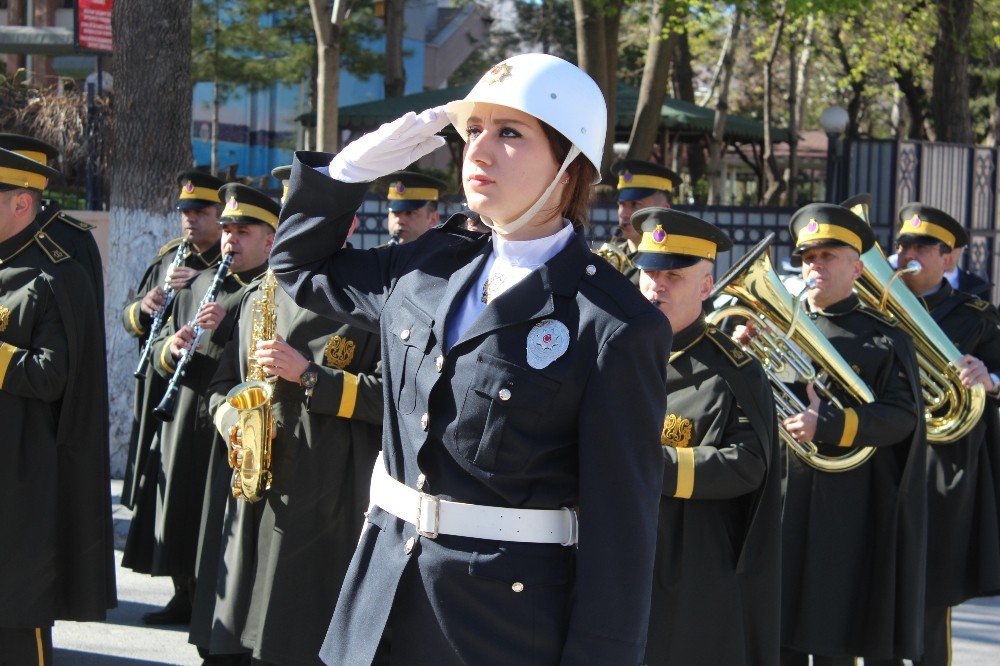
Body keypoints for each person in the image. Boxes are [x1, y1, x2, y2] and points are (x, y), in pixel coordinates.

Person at [269, 53, 671, 664]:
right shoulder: (429, 264)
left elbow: (622, 531)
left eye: (510, 133)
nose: (478, 152)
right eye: (473, 130)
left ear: (571, 163)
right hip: (378, 598)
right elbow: (298, 268)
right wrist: (344, 173)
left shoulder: (612, 321)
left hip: (497, 625)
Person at [192, 217, 384, 665]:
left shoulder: (374, 293)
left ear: (348, 223)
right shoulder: (262, 290)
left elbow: (392, 398)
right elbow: (221, 386)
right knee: (238, 634)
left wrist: (311, 375)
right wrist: (233, 420)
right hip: (253, 483)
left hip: (325, 493)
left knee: (294, 638)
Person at [774, 203, 927, 665]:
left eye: (827, 256)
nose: (814, 265)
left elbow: (903, 417)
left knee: (834, 635)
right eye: (807, 257)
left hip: (851, 507)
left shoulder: (883, 338)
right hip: (786, 498)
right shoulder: (783, 325)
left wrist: (832, 427)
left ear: (857, 267)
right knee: (779, 633)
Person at [633, 208, 781, 665]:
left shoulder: (734, 370)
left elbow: (749, 462)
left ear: (705, 286)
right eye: (650, 273)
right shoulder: (615, 351)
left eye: (673, 276)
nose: (656, 285)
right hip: (615, 552)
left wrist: (652, 467)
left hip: (690, 563)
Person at [133, 183, 274, 631]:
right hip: (184, 411)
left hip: (227, 420)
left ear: (270, 239)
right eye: (227, 229)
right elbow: (157, 344)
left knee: (212, 513)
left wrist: (230, 323)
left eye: (242, 230)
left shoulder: (267, 290)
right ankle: (182, 592)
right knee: (179, 502)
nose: (230, 238)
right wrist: (171, 348)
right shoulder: (199, 284)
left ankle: (208, 598)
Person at [0, 148, 115, 660]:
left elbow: (54, 377)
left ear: (21, 202)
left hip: (23, 475)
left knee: (16, 619)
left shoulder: (54, 273)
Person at [893, 203, 1000, 666]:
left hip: (943, 461)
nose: (906, 253)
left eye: (920, 246)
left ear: (948, 259)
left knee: (929, 590)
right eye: (901, 245)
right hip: (885, 452)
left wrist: (989, 377)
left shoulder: (975, 313)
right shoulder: (877, 302)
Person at [120, 170, 227, 625]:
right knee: (167, 494)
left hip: (207, 395)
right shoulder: (171, 258)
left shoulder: (222, 266)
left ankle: (200, 594)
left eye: (201, 212)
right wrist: (148, 306)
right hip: (166, 390)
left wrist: (197, 284)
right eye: (186, 212)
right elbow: (133, 320)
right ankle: (179, 590)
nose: (190, 220)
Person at [608, 159, 678, 286]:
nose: (624, 213)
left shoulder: (677, 264)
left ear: (664, 210)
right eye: (621, 204)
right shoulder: (611, 260)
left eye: (635, 204)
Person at [384, 170, 447, 243]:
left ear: (433, 219)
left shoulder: (443, 254)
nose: (400, 221)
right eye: (396, 212)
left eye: (409, 213)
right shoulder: (378, 254)